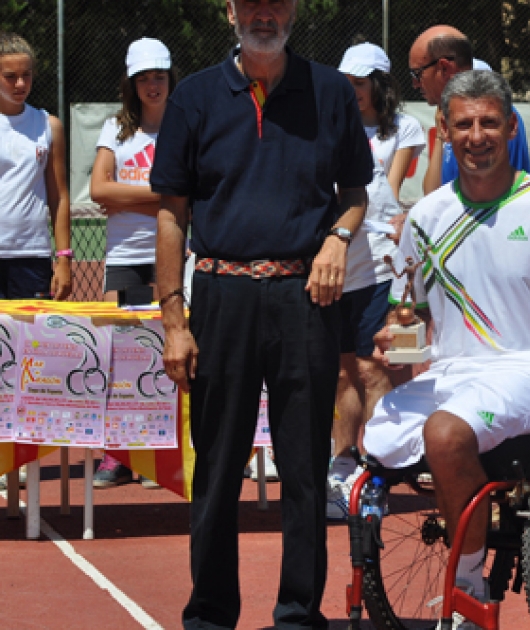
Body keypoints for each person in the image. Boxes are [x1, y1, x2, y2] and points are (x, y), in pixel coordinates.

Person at [364, 70, 530, 615]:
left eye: (489, 122)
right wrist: (397, 341)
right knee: (376, 439)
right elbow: (411, 323)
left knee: (444, 433)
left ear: (511, 128)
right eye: (464, 124)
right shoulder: (426, 217)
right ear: (444, 128)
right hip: (456, 373)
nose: (477, 136)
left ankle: (468, 591)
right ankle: (472, 515)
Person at [150, 0, 373, 627]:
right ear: (230, 12)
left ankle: (299, 614)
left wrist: (338, 238)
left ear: (293, 10)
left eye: (276, 3)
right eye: (252, 4)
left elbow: (354, 193)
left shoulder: (330, 91)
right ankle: (212, 615)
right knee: (218, 469)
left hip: (306, 300)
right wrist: (173, 318)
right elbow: (172, 212)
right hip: (220, 297)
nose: (265, 15)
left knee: (304, 470)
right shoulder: (193, 98)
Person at [327, 42, 425, 519]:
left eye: (360, 83)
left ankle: (385, 468)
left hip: (392, 264)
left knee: (392, 366)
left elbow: (383, 186)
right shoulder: (330, 124)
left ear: (380, 86)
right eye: (346, 81)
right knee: (347, 369)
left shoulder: (403, 127)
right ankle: (342, 466)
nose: (352, 91)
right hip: (343, 260)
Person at [89, 37, 176, 489]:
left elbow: (194, 198)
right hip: (124, 257)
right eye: (144, 77)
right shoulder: (115, 129)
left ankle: (156, 454)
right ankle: (116, 454)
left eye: (159, 75)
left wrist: (131, 200)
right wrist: (161, 197)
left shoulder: (186, 126)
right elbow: (99, 191)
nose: (153, 85)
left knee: (168, 353)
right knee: (118, 356)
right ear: (132, 82)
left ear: (169, 78)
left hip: (172, 257)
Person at [409, 25, 530, 195]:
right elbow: (433, 193)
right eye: (464, 124)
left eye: (417, 73)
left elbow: (491, 197)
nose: (415, 84)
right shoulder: (444, 116)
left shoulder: (501, 118)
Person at [0, 32, 71, 302]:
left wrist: (63, 258)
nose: (20, 83)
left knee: (30, 344)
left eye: (26, 75)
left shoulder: (47, 125)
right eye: (10, 76)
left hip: (32, 256)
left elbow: (59, 196)